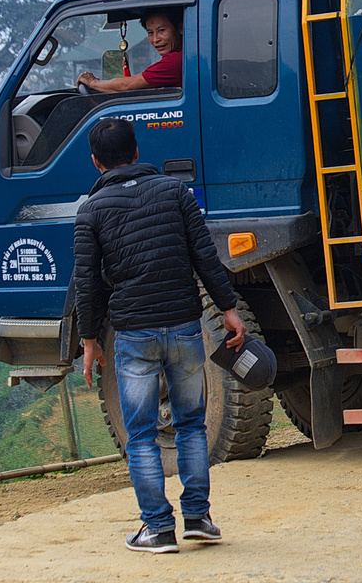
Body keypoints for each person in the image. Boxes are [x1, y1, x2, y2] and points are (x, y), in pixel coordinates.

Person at [73, 117, 246, 553]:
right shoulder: (174, 193)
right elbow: (205, 257)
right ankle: (198, 517)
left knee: (142, 435)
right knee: (190, 424)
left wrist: (90, 341)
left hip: (133, 336)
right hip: (185, 328)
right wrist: (229, 310)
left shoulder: (90, 211)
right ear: (136, 151)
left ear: (97, 163)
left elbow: (87, 283)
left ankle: (157, 528)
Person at [77, 8, 183, 92]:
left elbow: (127, 86)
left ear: (180, 28)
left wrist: (92, 83)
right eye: (150, 33)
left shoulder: (175, 61)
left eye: (161, 31)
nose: (155, 40)